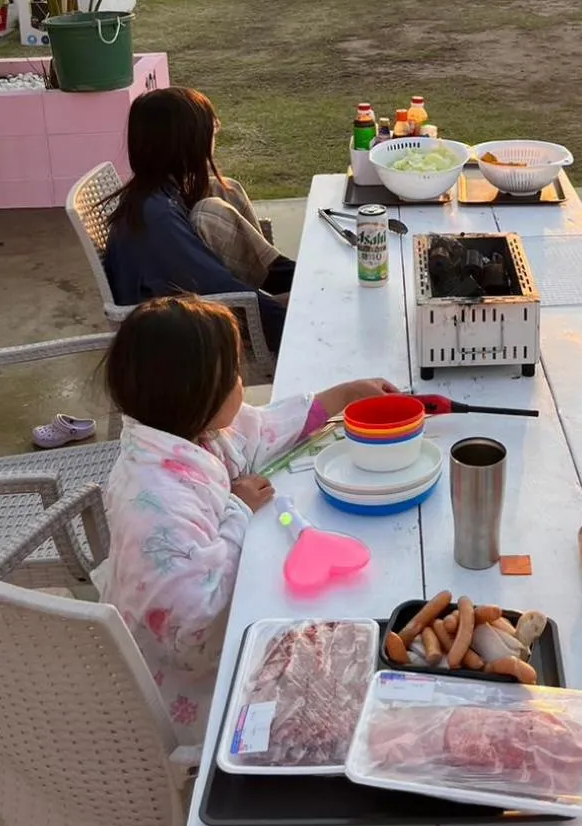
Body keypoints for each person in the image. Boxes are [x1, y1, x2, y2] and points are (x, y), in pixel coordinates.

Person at [93, 296, 398, 741]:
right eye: (234, 375)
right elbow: (191, 622)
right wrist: (237, 511)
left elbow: (263, 431)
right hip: (190, 685)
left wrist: (343, 396)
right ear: (198, 395)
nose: (242, 384)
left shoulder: (190, 433)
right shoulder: (155, 495)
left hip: (199, 633)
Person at [103, 87, 294, 362]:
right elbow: (222, 292)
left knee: (221, 190)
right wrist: (298, 328)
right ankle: (296, 281)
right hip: (180, 340)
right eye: (211, 132)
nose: (214, 139)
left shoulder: (155, 195)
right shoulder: (157, 218)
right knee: (210, 209)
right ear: (186, 143)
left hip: (188, 310)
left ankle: (293, 277)